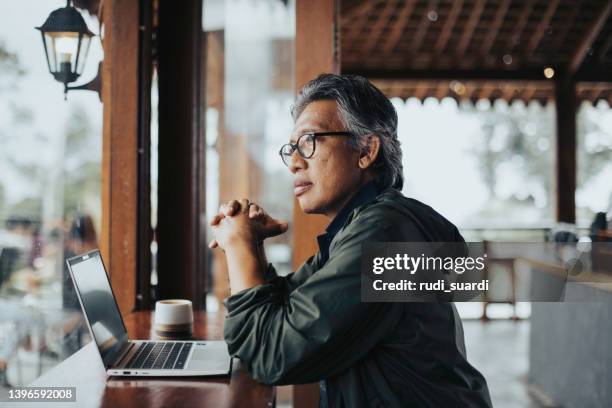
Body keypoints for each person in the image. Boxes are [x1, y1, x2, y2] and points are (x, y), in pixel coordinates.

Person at [210, 74, 492, 407]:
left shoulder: (385, 236)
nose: (295, 162)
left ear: (366, 150)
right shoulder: (353, 232)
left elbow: (271, 354)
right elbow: (285, 315)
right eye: (292, 149)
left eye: (310, 140)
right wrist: (253, 245)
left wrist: (239, 244)